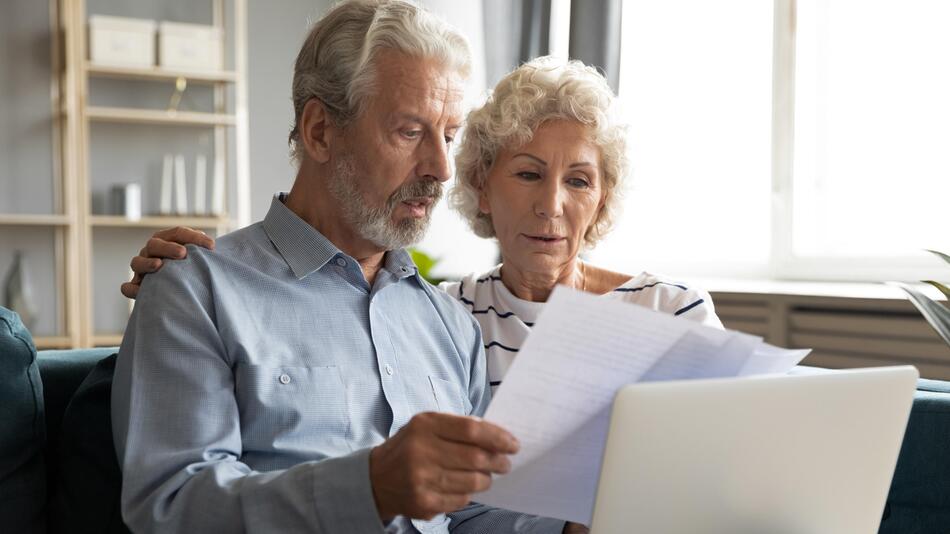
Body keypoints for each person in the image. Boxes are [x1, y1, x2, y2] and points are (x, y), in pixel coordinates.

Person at [111, 1, 573, 532]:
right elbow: (171, 507)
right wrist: (370, 487)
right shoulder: (196, 290)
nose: (441, 169)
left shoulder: (450, 325)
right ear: (320, 132)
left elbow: (464, 515)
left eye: (447, 136)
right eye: (409, 132)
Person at [124, 58, 724, 399]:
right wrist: (200, 273)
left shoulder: (672, 313)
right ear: (483, 186)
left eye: (579, 181)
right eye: (528, 173)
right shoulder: (441, 316)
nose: (551, 205)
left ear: (603, 197)